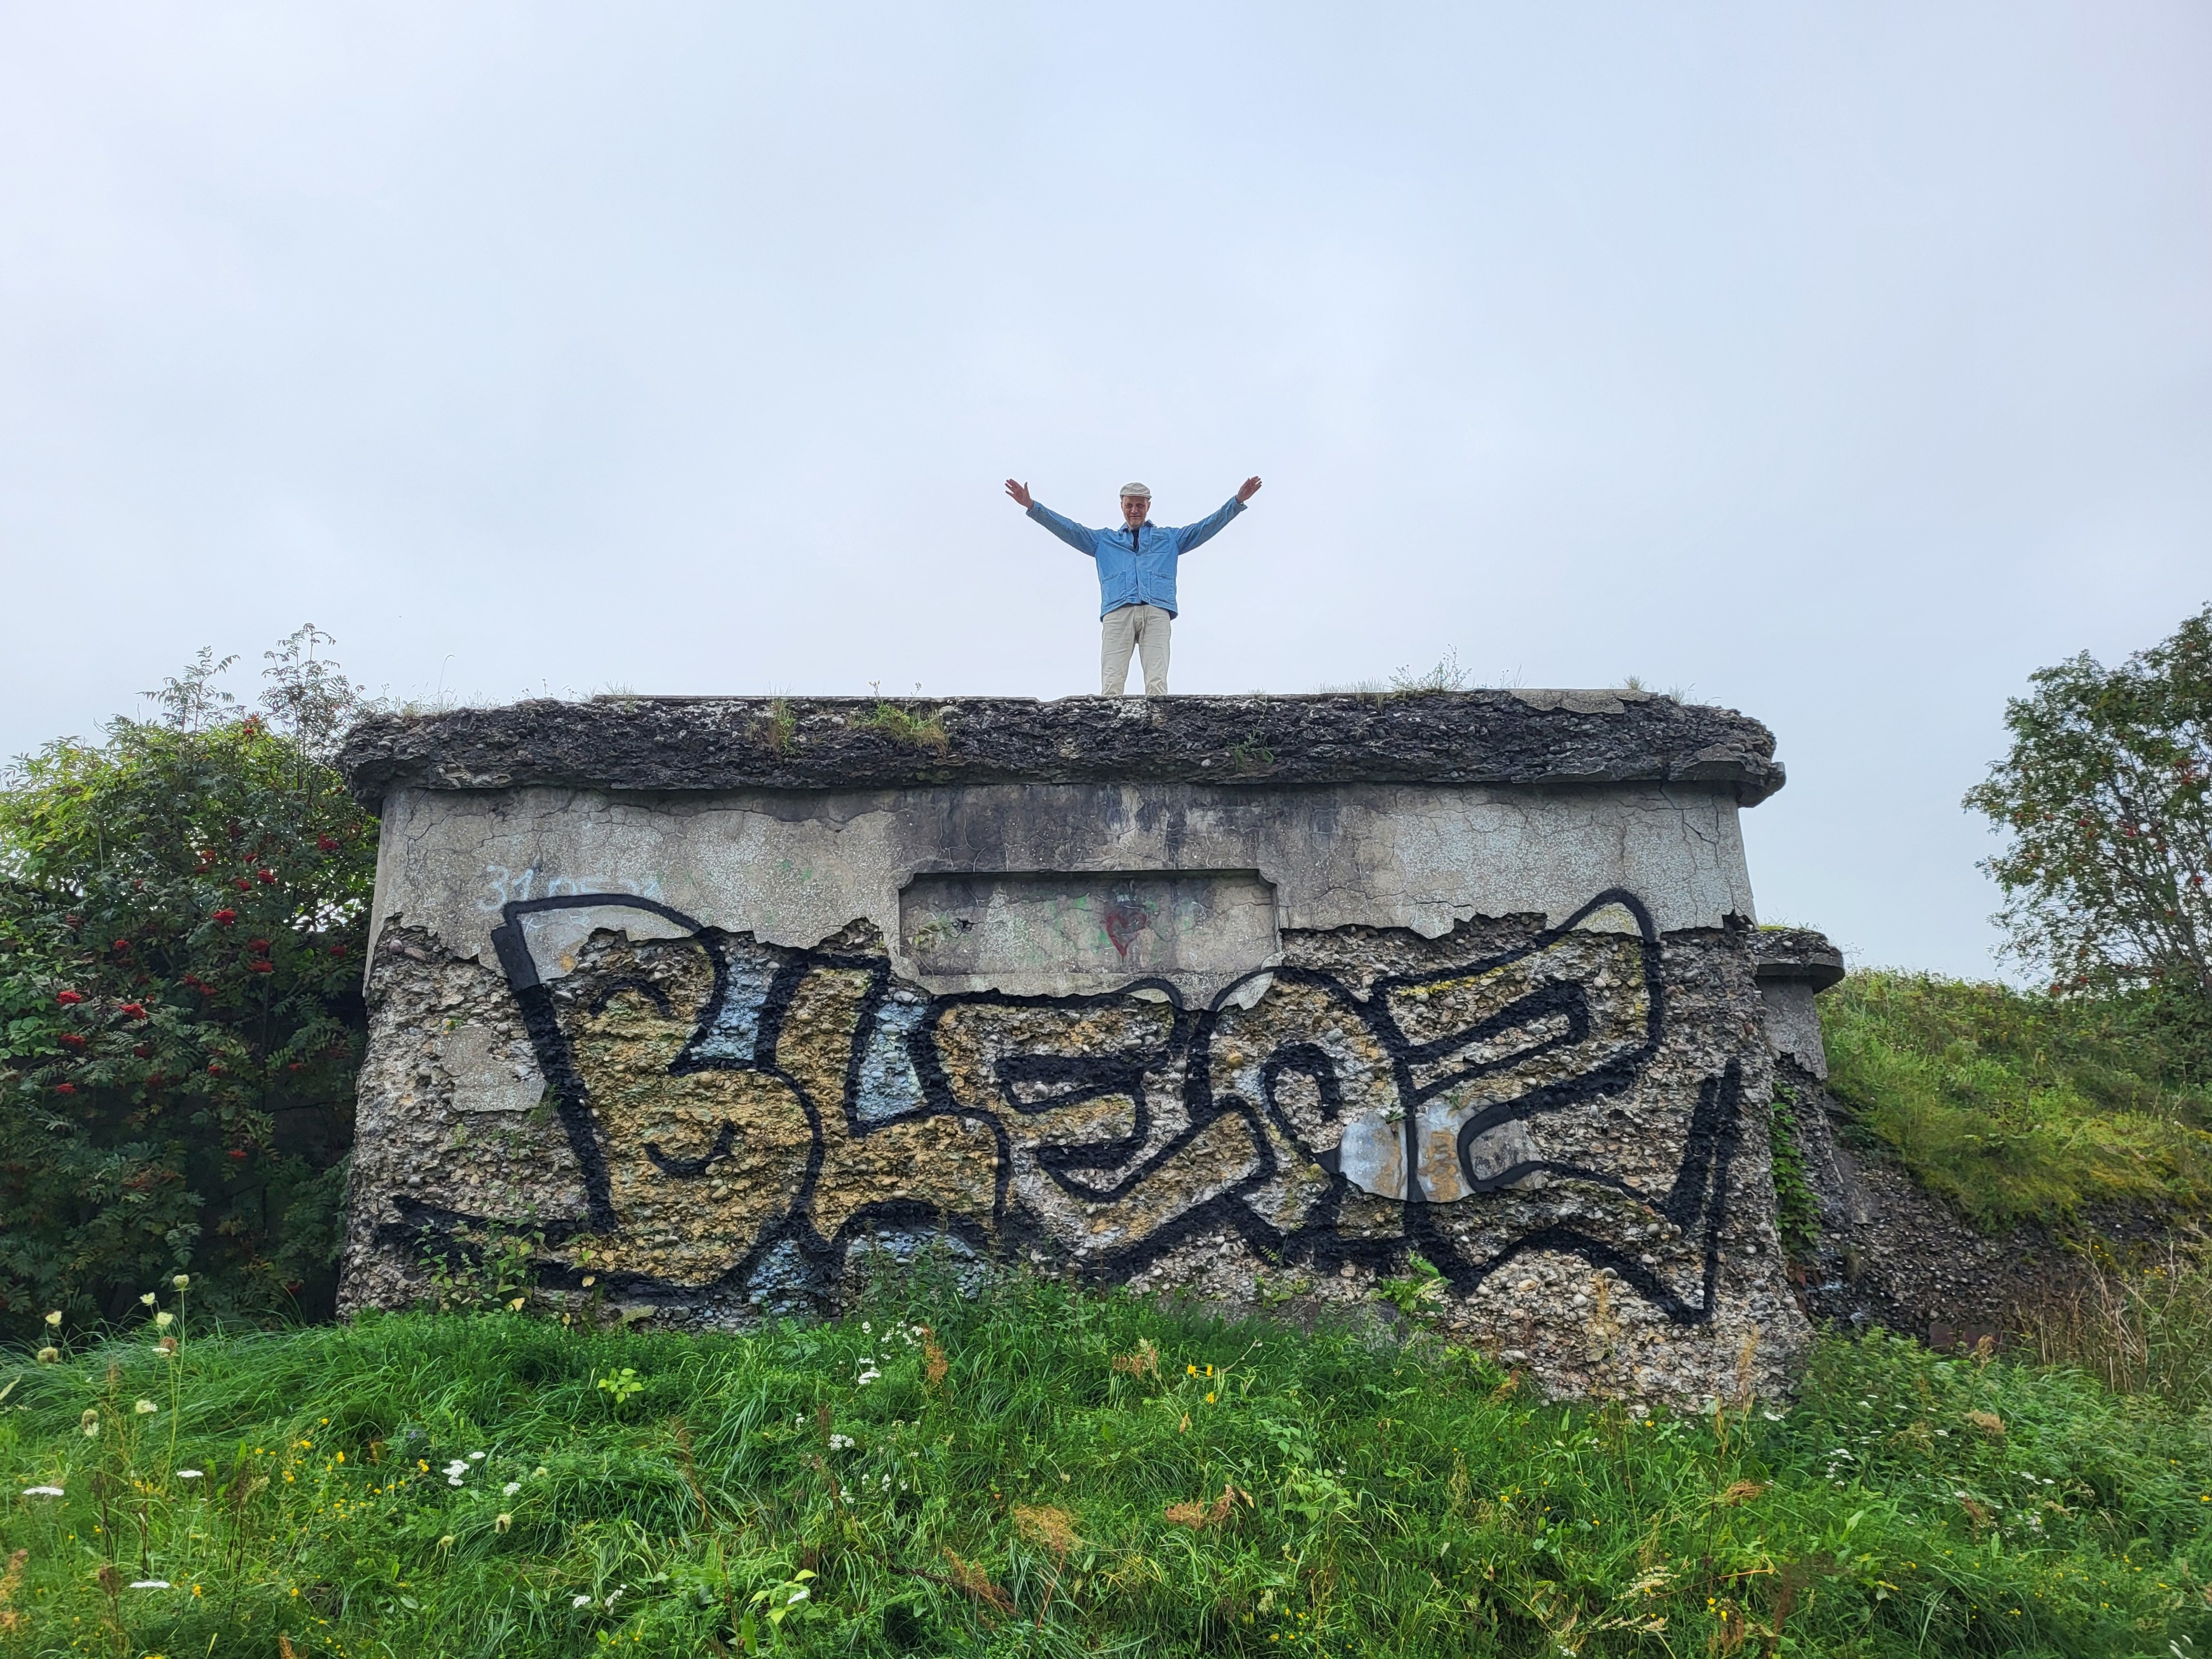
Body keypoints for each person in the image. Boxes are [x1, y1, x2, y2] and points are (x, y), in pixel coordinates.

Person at [1004, 475, 1262, 696]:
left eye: (1140, 505)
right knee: (1112, 684)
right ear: (1122, 506)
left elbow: (1205, 527)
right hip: (1118, 610)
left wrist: (1236, 502)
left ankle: (1158, 729)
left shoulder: (1168, 538)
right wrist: (1032, 506)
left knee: (1157, 683)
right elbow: (1069, 529)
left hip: (1157, 609)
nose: (1134, 510)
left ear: (1149, 506)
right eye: (1129, 505)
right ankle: (1109, 730)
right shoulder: (1104, 541)